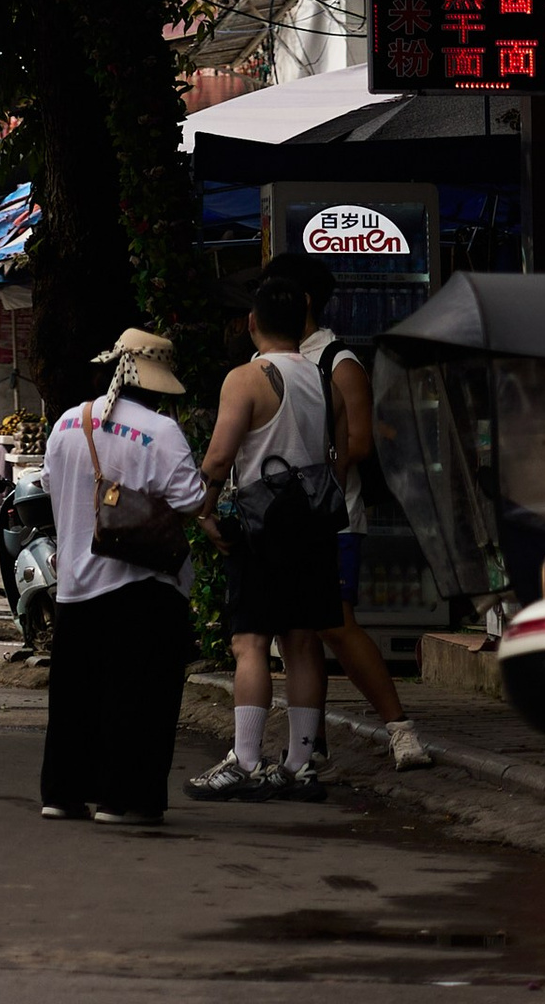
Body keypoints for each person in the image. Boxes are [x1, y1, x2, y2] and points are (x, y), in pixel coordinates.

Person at [37, 326, 209, 828]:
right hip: (142, 584)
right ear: (157, 381)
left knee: (74, 696)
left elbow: (49, 484)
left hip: (74, 583)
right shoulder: (161, 431)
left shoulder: (69, 421)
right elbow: (192, 501)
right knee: (138, 696)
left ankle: (62, 794)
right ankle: (122, 800)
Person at [189, 271, 345, 802]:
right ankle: (300, 764)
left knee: (250, 642)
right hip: (314, 525)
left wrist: (204, 510)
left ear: (252, 322)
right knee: (303, 643)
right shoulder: (327, 378)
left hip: (263, 526)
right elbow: (338, 454)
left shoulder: (246, 378)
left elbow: (218, 457)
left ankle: (246, 759)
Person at [288, 253, 434, 775]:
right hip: (291, 520)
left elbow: (361, 443)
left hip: (333, 518)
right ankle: (309, 743)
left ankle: (400, 728)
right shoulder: (282, 359)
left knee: (336, 624)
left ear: (300, 301)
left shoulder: (337, 361)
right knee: (301, 632)